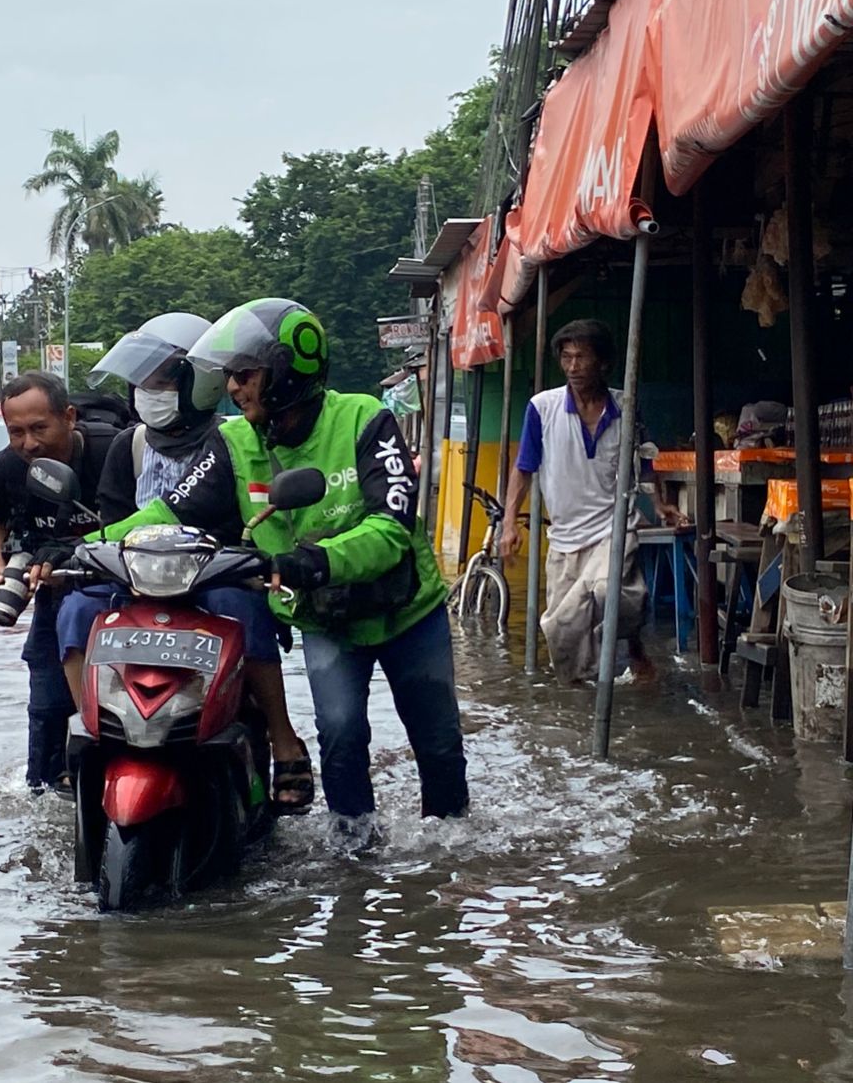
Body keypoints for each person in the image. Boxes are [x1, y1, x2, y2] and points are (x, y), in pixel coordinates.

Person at [81, 298, 468, 838]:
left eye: (246, 374)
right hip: (325, 619)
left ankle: (453, 848)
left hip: (407, 613)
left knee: (438, 738)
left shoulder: (364, 419)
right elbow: (173, 509)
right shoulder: (234, 441)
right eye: (231, 376)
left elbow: (391, 530)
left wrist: (306, 561)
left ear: (289, 370)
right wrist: (88, 544)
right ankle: (354, 848)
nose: (234, 388)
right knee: (339, 732)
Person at [49, 311, 313, 811]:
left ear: (203, 382)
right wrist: (80, 549)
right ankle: (92, 732)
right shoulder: (128, 446)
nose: (148, 390)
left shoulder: (237, 441)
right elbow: (116, 524)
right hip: (135, 582)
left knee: (243, 607)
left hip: (214, 578)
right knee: (76, 612)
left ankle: (283, 740)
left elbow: (230, 515)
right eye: (141, 382)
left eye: (163, 379)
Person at [499, 318, 687, 686]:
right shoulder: (542, 408)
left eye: (581, 358)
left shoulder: (625, 407)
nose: (572, 367)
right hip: (565, 535)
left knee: (609, 592)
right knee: (561, 628)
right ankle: (579, 695)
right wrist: (509, 524)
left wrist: (660, 505)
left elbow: (644, 464)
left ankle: (633, 645)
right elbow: (523, 469)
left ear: (602, 363)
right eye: (566, 358)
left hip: (611, 526)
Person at [0, 371, 120, 792]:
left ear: (69, 417)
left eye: (40, 428)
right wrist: (1, 563)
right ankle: (42, 787)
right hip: (52, 585)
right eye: (16, 432)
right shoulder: (5, 467)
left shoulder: (112, 452)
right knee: (44, 694)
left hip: (119, 585)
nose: (29, 444)